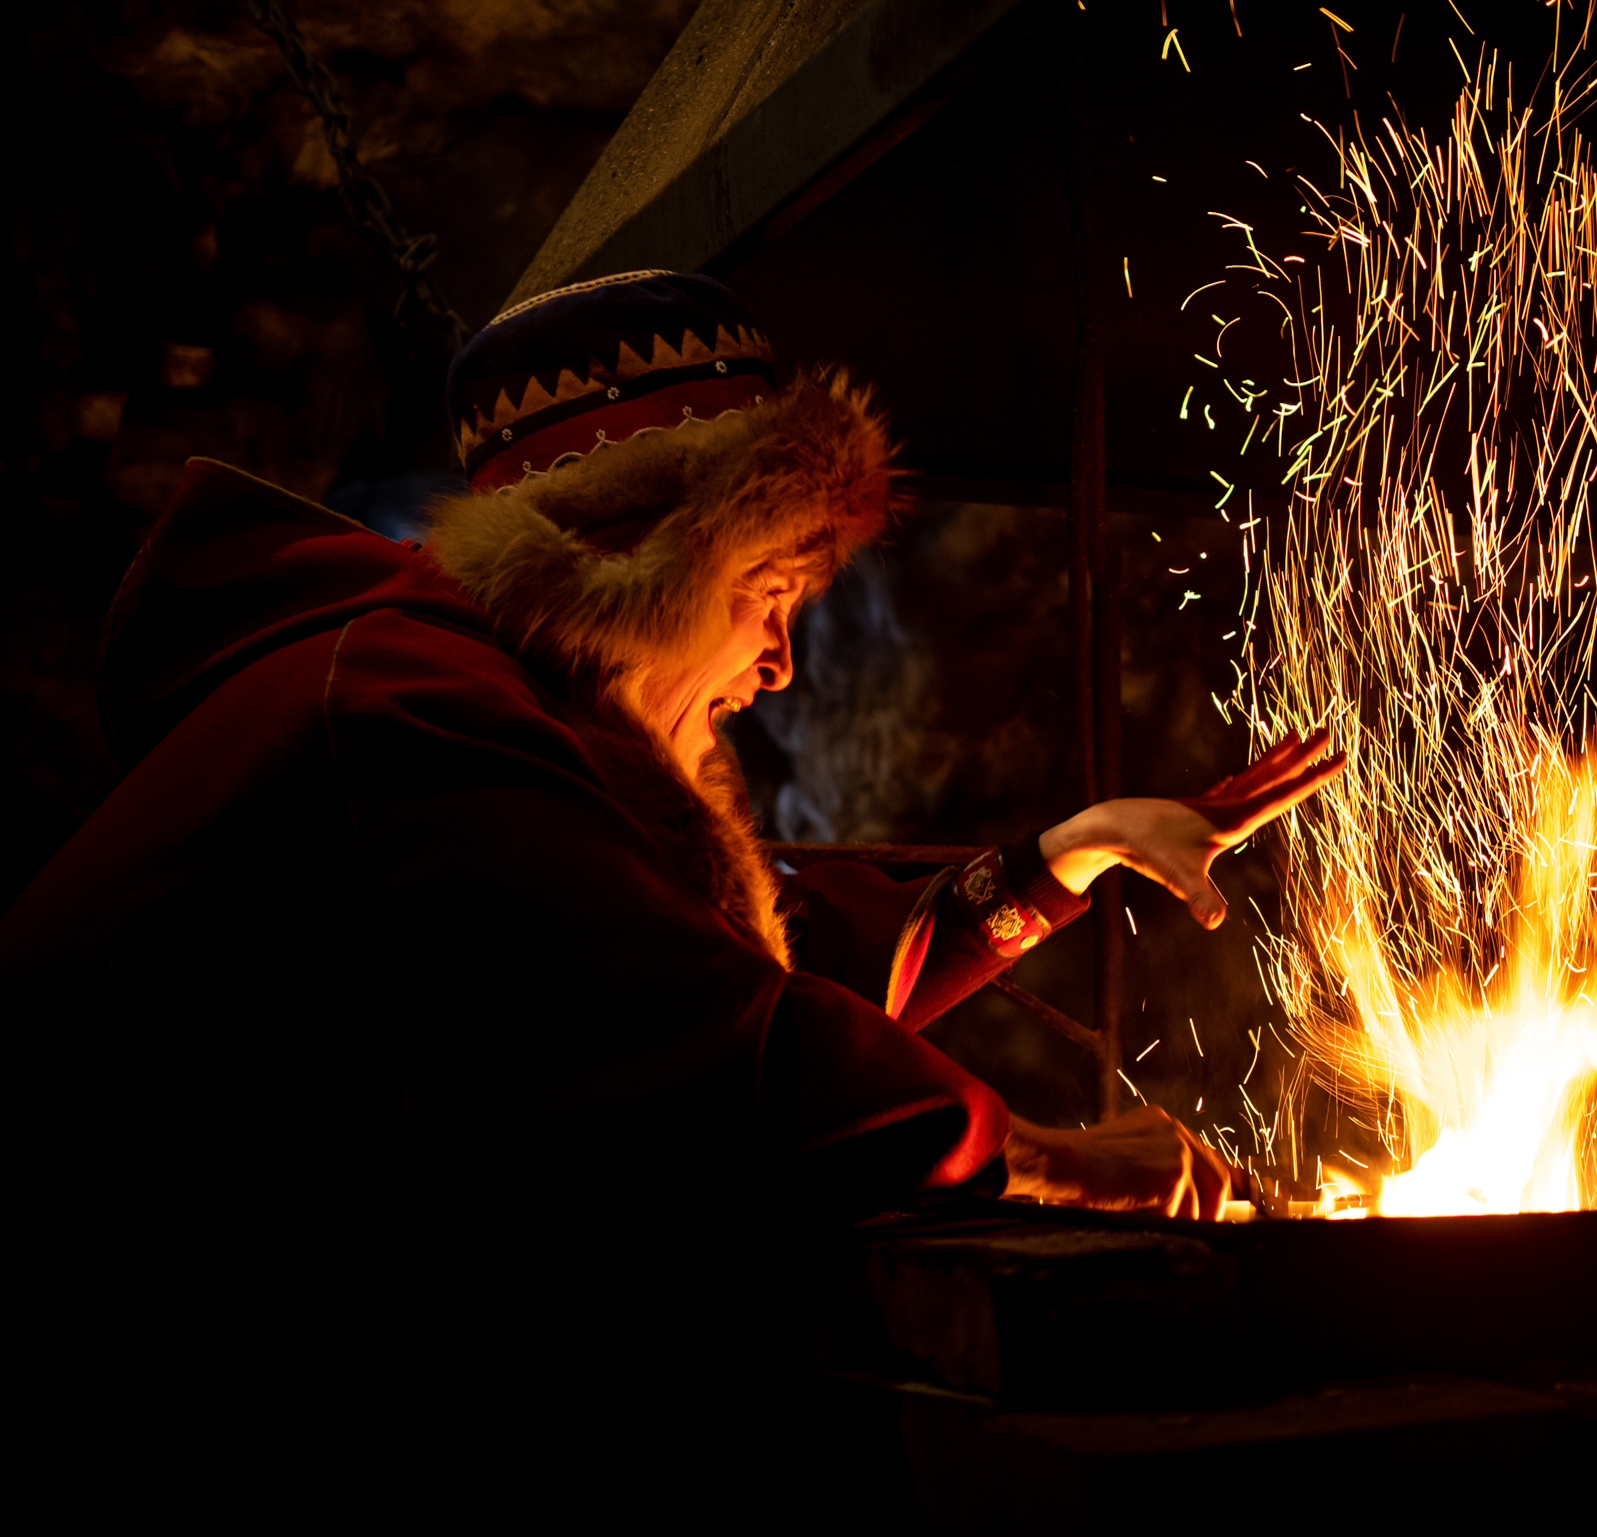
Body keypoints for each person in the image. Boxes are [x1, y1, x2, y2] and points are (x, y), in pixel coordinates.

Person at [1, 269, 1340, 1229]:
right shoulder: (409, 714)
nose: (780, 663)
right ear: (633, 576)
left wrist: (1074, 852)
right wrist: (1051, 1158)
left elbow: (744, 964)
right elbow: (722, 1044)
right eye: (770, 596)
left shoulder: (509, 717)